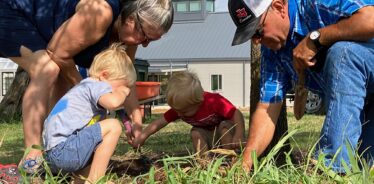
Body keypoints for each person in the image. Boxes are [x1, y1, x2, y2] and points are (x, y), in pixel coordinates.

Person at [0, 0, 173, 172]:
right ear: (131, 20)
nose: (144, 44)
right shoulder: (100, 13)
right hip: (12, 12)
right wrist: (90, 90)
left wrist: (135, 116)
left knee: (61, 74)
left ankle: (60, 150)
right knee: (48, 69)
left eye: (151, 40)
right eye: (145, 36)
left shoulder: (129, 41)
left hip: (47, 34)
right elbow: (56, 53)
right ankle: (32, 157)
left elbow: (125, 79)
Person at [228, 0, 374, 172]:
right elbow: (267, 109)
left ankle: (332, 170)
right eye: (251, 37)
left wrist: (316, 39)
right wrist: (244, 164)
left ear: (278, 7)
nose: (257, 42)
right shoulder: (274, 54)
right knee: (363, 168)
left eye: (258, 32)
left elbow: (370, 19)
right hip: (366, 107)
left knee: (343, 53)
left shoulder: (317, 4)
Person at [43, 43, 135, 183]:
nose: (125, 91)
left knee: (97, 145)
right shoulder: (96, 85)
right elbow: (113, 103)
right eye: (122, 85)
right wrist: (122, 93)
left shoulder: (85, 87)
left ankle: (82, 180)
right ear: (104, 75)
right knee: (113, 126)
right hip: (64, 150)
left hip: (53, 155)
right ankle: (96, 180)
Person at [132, 71, 245, 154]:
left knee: (224, 127)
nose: (180, 114)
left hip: (226, 133)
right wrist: (142, 136)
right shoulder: (180, 108)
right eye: (177, 110)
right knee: (195, 132)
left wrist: (239, 134)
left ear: (198, 102)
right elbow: (158, 123)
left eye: (184, 111)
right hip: (209, 136)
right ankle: (204, 162)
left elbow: (236, 113)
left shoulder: (214, 101)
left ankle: (229, 158)